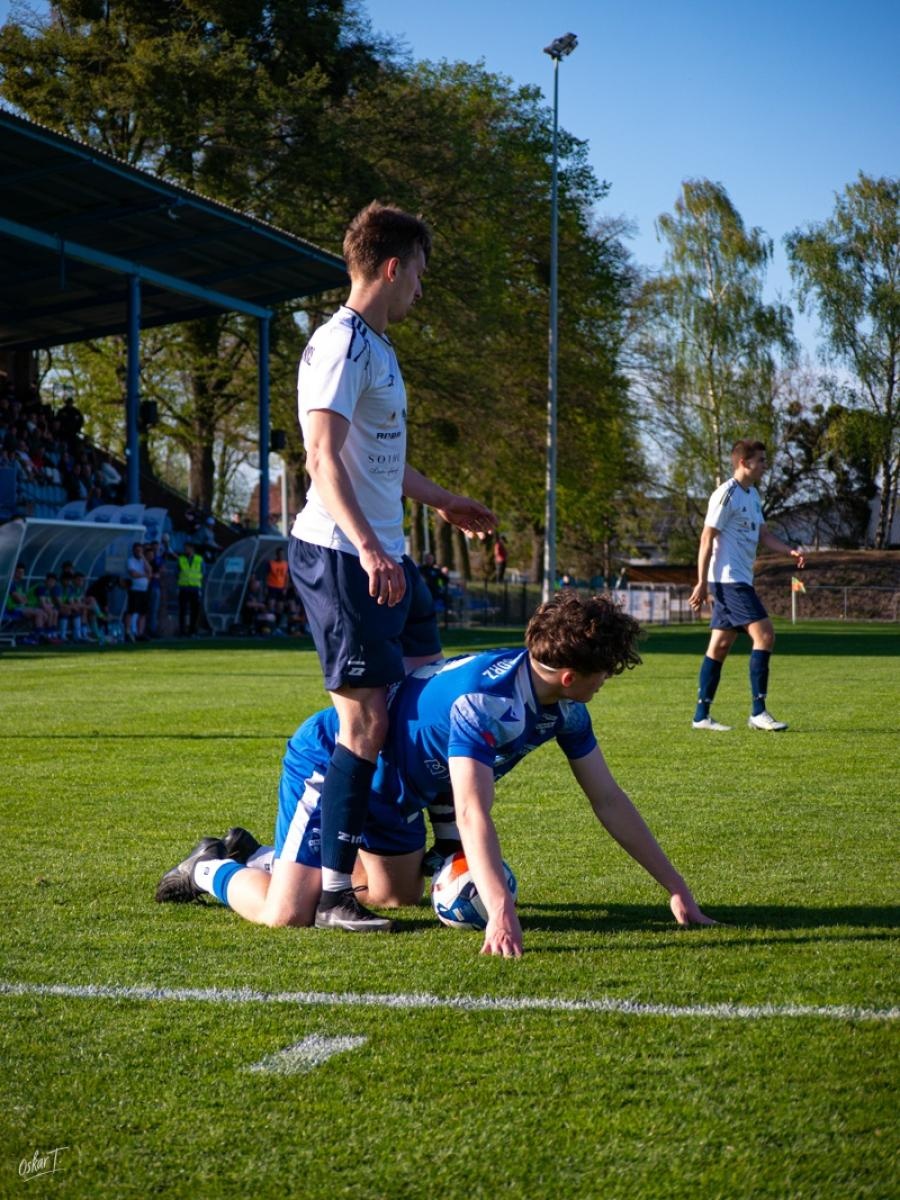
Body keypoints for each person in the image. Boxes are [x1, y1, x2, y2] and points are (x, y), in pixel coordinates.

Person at [156, 593, 712, 951]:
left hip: (399, 793)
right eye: (602, 674)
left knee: (394, 898)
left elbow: (608, 799)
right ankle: (210, 868)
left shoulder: (561, 706)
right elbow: (472, 810)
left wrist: (676, 889)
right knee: (288, 915)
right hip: (336, 765)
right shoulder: (485, 702)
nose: (604, 684)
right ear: (568, 675)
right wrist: (499, 909)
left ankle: (268, 857)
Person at [288, 201, 496, 932]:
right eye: (419, 278)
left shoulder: (380, 349)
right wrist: (371, 546)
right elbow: (321, 458)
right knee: (367, 724)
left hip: (386, 554)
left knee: (429, 701)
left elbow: (379, 459)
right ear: (392, 266)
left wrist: (443, 503)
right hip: (343, 556)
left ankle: (450, 858)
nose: (420, 293)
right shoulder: (338, 344)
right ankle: (338, 893)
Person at [688, 439, 806, 732]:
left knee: (720, 644)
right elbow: (706, 538)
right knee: (765, 635)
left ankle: (701, 716)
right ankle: (758, 711)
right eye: (762, 460)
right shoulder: (726, 494)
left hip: (738, 580)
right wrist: (702, 582)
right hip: (729, 581)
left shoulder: (752, 495)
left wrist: (788, 550)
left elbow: (764, 534)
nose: (766, 465)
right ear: (744, 462)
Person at [177, 540, 204, 636]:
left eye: (187, 548)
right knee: (182, 610)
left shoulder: (199, 559)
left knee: (194, 610)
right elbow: (177, 572)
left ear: (192, 549)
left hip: (195, 588)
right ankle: (182, 630)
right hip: (184, 588)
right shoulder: (181, 559)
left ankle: (192, 630)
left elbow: (202, 573)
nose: (185, 550)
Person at [126, 542, 151, 641]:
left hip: (144, 590)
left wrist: (144, 558)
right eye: (137, 550)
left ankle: (140, 633)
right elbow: (133, 574)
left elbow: (149, 570)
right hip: (134, 590)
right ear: (133, 551)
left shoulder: (143, 561)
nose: (138, 552)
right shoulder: (130, 561)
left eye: (140, 550)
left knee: (143, 613)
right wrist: (144, 575)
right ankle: (128, 631)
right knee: (131, 611)